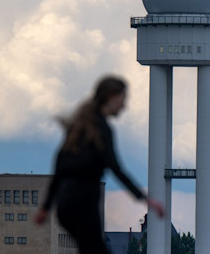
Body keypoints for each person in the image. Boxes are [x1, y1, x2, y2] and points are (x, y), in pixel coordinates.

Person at [35, 75, 164, 254]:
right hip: (83, 203)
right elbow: (116, 169)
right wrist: (145, 198)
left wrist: (46, 207)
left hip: (67, 205)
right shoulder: (102, 129)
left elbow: (60, 168)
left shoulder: (79, 127)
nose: (124, 106)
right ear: (111, 96)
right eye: (123, 99)